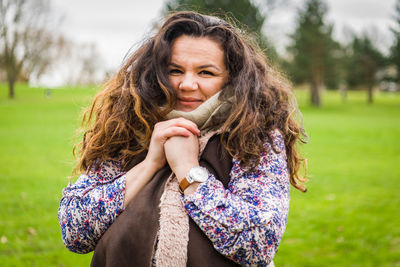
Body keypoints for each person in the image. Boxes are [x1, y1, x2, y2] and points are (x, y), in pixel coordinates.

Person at [58, 11, 307, 267]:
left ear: (233, 78)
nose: (187, 84)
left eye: (206, 73)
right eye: (175, 70)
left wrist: (189, 172)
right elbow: (74, 231)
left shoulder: (254, 137)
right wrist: (150, 164)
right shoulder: (129, 127)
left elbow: (258, 243)